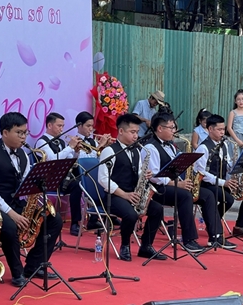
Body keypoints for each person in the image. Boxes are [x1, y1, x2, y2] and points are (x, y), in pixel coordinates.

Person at [0, 112, 63, 287]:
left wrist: (38, 190)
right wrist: (13, 214)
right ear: (5, 132)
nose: (24, 137)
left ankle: (34, 265)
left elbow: (24, 185)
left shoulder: (24, 155)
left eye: (25, 132)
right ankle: (17, 272)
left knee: (54, 220)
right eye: (19, 133)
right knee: (9, 226)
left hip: (15, 202)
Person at [142, 112, 235, 252]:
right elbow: (154, 176)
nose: (174, 131)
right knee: (185, 196)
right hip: (157, 189)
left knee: (208, 194)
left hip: (174, 184)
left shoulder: (171, 145)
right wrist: (178, 184)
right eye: (171, 128)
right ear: (160, 129)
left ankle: (216, 236)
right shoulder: (150, 147)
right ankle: (189, 240)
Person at [98, 114, 166, 261]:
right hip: (114, 196)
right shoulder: (109, 151)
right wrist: (125, 195)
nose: (136, 136)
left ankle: (146, 246)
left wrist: (145, 173)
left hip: (133, 193)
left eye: (137, 132)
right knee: (131, 215)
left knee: (158, 210)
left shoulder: (136, 150)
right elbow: (103, 179)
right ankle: (125, 245)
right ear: (121, 131)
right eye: (132, 132)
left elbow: (138, 170)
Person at [194, 114, 243, 238]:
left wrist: (237, 168)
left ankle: (239, 226)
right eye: (219, 130)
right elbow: (201, 173)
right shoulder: (203, 148)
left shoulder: (225, 145)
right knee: (227, 199)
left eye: (224, 129)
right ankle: (212, 224)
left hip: (221, 182)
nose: (223, 132)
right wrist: (224, 183)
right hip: (206, 184)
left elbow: (228, 164)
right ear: (210, 129)